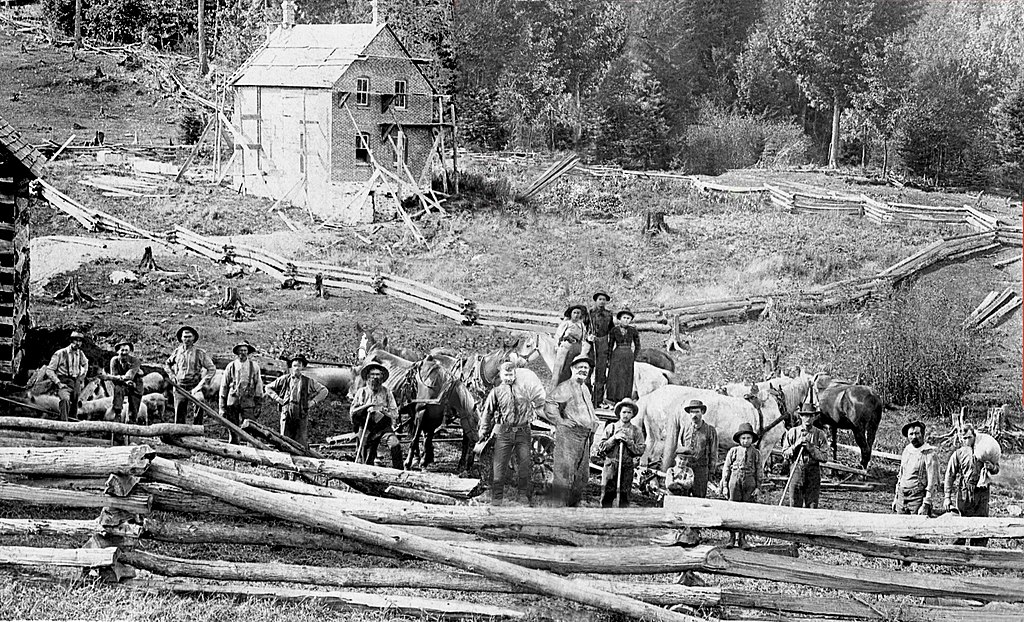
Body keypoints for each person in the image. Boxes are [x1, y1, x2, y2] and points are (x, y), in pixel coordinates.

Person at [475, 361, 544, 505]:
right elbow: (487, 413)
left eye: (511, 374)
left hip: (523, 432)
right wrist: (483, 431)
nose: (508, 377)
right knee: (499, 465)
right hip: (505, 432)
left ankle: (522, 495)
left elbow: (539, 402)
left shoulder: (525, 390)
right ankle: (497, 498)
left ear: (515, 374)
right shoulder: (496, 392)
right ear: (501, 375)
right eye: (505, 374)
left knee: (524, 464)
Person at [545, 355, 598, 507]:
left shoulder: (585, 388)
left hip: (584, 436)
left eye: (586, 368)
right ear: (572, 369)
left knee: (582, 476)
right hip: (570, 435)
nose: (583, 370)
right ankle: (557, 510)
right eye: (580, 367)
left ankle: (572, 509)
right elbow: (550, 402)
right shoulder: (566, 386)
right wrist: (560, 421)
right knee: (564, 473)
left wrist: (592, 429)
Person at [944, 424, 1000, 546]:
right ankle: (957, 557)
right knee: (961, 523)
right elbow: (950, 475)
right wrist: (947, 497)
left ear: (974, 435)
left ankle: (978, 554)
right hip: (965, 491)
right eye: (963, 438)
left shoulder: (985, 449)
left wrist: (992, 467)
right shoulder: (959, 454)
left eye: (969, 437)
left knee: (981, 524)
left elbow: (997, 469)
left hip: (982, 491)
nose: (966, 441)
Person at [265, 354, 328, 449]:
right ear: (291, 367)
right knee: (285, 439)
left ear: (302, 367)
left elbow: (324, 391)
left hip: (301, 412)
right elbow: (268, 387)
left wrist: (313, 402)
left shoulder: (308, 381)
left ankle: (300, 460)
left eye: (299, 365)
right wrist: (277, 398)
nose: (297, 368)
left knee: (300, 440)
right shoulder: (285, 379)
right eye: (294, 366)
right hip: (286, 411)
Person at [349, 362, 403, 469]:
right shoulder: (362, 392)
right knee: (367, 456)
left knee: (395, 444)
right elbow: (352, 412)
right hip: (366, 427)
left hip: (383, 428)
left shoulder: (387, 392)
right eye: (372, 375)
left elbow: (395, 414)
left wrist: (382, 410)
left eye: (378, 375)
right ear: (368, 377)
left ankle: (399, 472)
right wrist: (367, 406)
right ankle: (366, 476)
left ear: (382, 378)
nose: (375, 378)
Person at [596, 398, 646, 508]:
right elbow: (600, 448)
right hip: (611, 466)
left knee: (624, 495)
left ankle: (621, 520)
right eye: (624, 412)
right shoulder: (611, 427)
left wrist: (629, 442)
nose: (626, 415)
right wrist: (614, 438)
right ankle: (604, 519)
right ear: (619, 413)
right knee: (607, 494)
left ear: (632, 415)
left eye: (629, 412)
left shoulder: (636, 431)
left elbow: (641, 449)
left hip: (627, 466)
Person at [720, 422, 762, 549]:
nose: (745, 440)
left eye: (748, 438)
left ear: (752, 439)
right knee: (733, 508)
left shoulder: (756, 453)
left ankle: (742, 539)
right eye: (743, 438)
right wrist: (725, 485)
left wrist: (758, 487)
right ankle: (731, 538)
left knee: (745, 509)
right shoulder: (733, 451)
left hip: (749, 481)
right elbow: (726, 468)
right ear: (739, 439)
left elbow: (759, 470)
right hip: (734, 480)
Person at [781, 404, 830, 508]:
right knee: (794, 505)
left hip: (813, 472)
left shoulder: (819, 434)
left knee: (812, 505)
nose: (808, 418)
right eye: (805, 416)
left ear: (814, 417)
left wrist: (811, 447)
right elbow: (785, 453)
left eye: (811, 416)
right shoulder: (792, 432)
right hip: (796, 469)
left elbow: (825, 457)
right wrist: (796, 444)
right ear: (801, 417)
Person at [164, 326, 216, 425]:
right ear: (181, 338)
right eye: (185, 337)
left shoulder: (200, 353)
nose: (187, 339)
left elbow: (212, 369)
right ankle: (179, 433)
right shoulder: (177, 352)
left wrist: (201, 385)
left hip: (194, 386)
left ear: (194, 338)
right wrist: (172, 375)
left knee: (200, 402)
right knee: (179, 411)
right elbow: (167, 364)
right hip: (179, 386)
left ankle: (197, 430)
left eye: (189, 337)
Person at [667, 399, 718, 498]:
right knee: (682, 495)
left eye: (697, 412)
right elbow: (680, 448)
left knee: (698, 497)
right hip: (685, 468)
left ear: (702, 412)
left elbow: (713, 453)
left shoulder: (710, 430)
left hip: (701, 469)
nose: (694, 415)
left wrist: (711, 471)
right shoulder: (685, 428)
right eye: (692, 412)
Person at [219, 341, 264, 444]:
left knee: (250, 425)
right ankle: (234, 446)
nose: (243, 352)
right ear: (237, 352)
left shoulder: (254, 366)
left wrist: (258, 404)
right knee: (232, 425)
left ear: (248, 352)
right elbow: (224, 386)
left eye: (245, 350)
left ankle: (250, 448)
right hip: (233, 399)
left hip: (248, 400)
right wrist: (222, 406)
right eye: (240, 350)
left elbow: (259, 386)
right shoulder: (231, 366)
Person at [893, 420, 938, 517]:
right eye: (911, 434)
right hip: (902, 496)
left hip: (917, 498)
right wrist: (896, 498)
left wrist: (926, 504)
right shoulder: (907, 450)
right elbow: (901, 475)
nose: (914, 437)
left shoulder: (929, 453)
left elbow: (932, 481)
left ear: (923, 434)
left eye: (917, 433)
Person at [43, 331, 89, 421]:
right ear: (71, 341)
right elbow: (49, 370)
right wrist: (58, 383)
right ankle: (63, 427)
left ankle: (72, 427)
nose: (78, 343)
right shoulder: (60, 353)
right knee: (65, 400)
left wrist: (81, 377)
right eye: (76, 340)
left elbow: (86, 364)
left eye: (80, 341)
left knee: (75, 404)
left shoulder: (80, 354)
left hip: (75, 382)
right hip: (64, 382)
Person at [102, 340, 143, 424]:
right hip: (123, 384)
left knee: (133, 410)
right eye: (122, 350)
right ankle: (118, 413)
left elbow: (129, 376)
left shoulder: (135, 361)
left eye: (126, 350)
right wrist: (124, 382)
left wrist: (109, 377)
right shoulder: (114, 361)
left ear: (130, 351)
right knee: (118, 388)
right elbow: (115, 380)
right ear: (118, 351)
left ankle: (132, 423)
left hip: (136, 386)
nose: (124, 353)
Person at [605, 308, 640, 404]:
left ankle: (624, 398)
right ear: (619, 319)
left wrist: (634, 357)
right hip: (617, 354)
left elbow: (638, 345)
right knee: (615, 375)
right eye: (624, 318)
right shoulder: (614, 330)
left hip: (628, 355)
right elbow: (610, 345)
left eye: (628, 318)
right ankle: (612, 398)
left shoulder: (633, 330)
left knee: (626, 376)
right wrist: (609, 359)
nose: (626, 320)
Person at [550, 304, 590, 389]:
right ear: (571, 314)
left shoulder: (582, 325)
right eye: (574, 313)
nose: (576, 315)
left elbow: (583, 338)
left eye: (578, 313)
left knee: (572, 369)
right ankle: (555, 390)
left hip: (577, 349)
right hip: (566, 348)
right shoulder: (566, 324)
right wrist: (557, 346)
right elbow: (558, 336)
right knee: (561, 370)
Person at [589, 291, 614, 406]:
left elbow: (611, 330)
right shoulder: (590, 314)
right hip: (591, 344)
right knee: (588, 370)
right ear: (596, 300)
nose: (602, 301)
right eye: (600, 299)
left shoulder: (609, 314)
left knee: (601, 372)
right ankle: (587, 397)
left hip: (603, 343)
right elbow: (584, 328)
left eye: (604, 299)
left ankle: (597, 400)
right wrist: (589, 336)